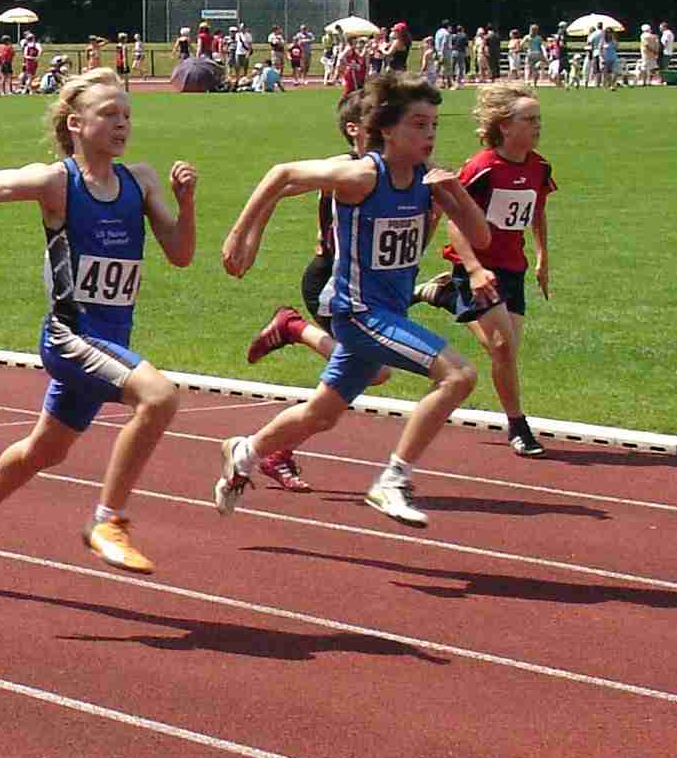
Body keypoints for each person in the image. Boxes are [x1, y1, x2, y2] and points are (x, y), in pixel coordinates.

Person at [0, 69, 196, 576]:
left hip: (110, 342)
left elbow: (180, 254)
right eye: (109, 114)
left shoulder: (140, 180)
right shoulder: (56, 184)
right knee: (159, 397)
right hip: (70, 339)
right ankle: (108, 521)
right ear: (75, 123)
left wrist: (186, 205)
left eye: (127, 115)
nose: (122, 124)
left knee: (44, 451)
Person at [216, 74, 491, 529]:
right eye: (418, 125)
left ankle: (245, 452)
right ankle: (394, 480)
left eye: (434, 126)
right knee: (458, 375)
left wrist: (454, 192)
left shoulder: (428, 180)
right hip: (358, 313)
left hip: (388, 314)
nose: (429, 135)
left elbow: (480, 236)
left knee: (321, 415)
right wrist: (242, 232)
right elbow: (282, 174)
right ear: (387, 130)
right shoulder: (362, 175)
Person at [242, 90, 389, 492]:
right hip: (331, 280)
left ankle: (277, 450)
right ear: (354, 130)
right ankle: (292, 328)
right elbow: (280, 185)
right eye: (378, 123)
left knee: (355, 381)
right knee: (370, 373)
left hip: (365, 284)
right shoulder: (343, 167)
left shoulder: (392, 168)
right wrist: (250, 235)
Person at [411, 85, 555, 458]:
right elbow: (455, 220)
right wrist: (474, 269)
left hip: (512, 268)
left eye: (539, 119)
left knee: (504, 350)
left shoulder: (539, 167)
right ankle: (519, 427)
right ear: (505, 126)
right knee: (503, 347)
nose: (538, 126)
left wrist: (542, 256)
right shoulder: (483, 167)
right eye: (530, 119)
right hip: (476, 266)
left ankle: (444, 296)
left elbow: (537, 211)